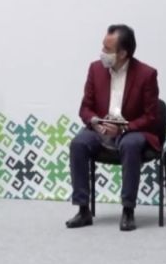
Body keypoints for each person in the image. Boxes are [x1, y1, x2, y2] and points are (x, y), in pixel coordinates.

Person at [67, 24, 160, 231]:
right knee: (78, 144)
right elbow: (85, 108)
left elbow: (151, 117)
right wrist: (95, 122)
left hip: (131, 130)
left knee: (131, 145)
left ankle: (128, 210)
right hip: (100, 130)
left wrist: (123, 128)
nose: (102, 53)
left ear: (123, 53)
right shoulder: (95, 69)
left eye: (107, 50)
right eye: (103, 47)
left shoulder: (146, 74)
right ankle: (83, 210)